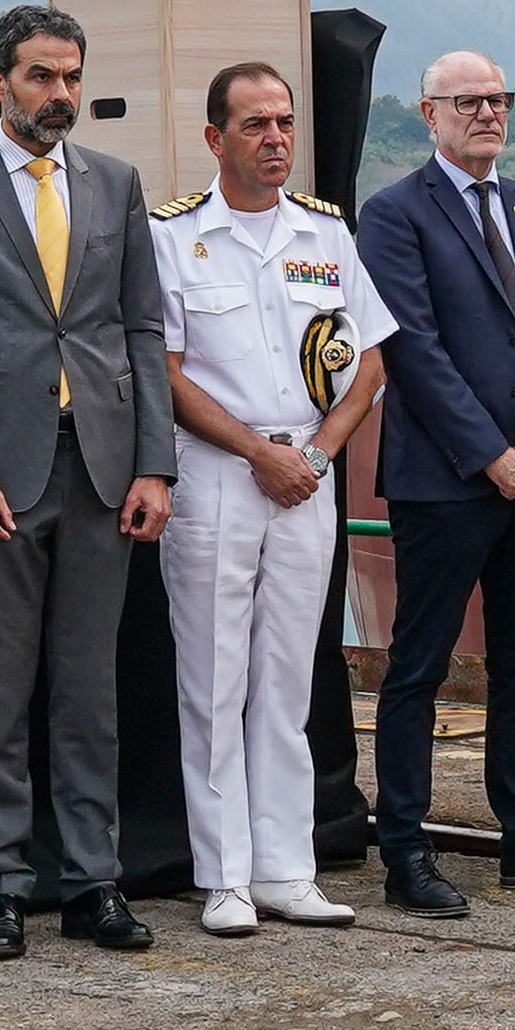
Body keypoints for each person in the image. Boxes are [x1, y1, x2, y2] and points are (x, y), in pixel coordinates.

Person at [0, 5, 180, 960]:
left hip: (103, 465)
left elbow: (140, 330)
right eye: (39, 77)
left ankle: (93, 883)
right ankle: (1, 889)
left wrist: (156, 462)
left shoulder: (115, 183)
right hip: (1, 471)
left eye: (69, 78)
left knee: (89, 688)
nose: (58, 95)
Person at [150, 60, 389, 937]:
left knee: (290, 678)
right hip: (218, 471)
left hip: (307, 475)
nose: (276, 139)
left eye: (285, 122)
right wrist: (258, 452)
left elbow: (370, 362)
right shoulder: (172, 236)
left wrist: (317, 457)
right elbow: (165, 374)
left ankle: (288, 868)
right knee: (214, 680)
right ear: (216, 139)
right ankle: (224, 877)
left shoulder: (325, 234)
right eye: (255, 124)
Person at [353, 47, 515, 907]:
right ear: (429, 114)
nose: (488, 113)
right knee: (419, 666)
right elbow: (411, 347)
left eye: (498, 98)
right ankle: (407, 851)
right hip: (450, 480)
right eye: (468, 102)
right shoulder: (393, 214)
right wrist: (493, 455)